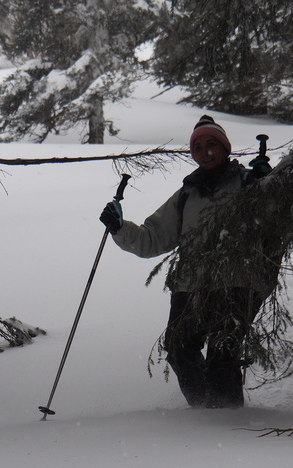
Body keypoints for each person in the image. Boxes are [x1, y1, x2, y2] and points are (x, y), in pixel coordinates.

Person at [100, 115, 272, 409]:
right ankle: (203, 414)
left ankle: (226, 424)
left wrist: (268, 185)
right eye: (198, 147)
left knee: (222, 354)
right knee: (179, 349)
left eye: (212, 145)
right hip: (191, 286)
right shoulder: (186, 195)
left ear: (225, 148)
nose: (206, 152)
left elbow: (275, 224)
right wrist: (119, 228)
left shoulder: (249, 183)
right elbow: (153, 237)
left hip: (237, 283)